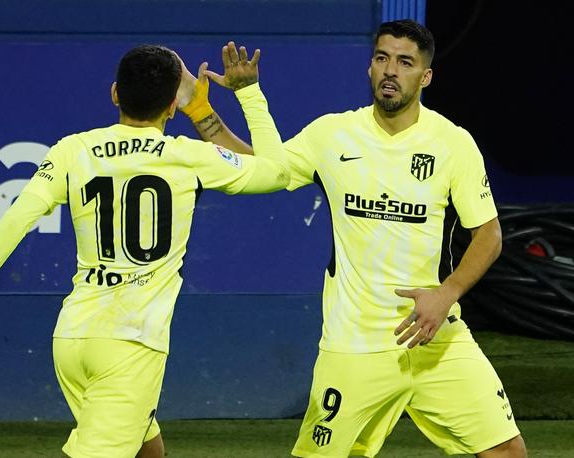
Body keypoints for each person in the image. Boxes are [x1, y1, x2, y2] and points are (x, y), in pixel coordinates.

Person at [180, 19, 527, 457]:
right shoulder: (333, 134)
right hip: (355, 348)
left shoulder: (453, 144)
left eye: (405, 62)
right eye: (382, 58)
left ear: (426, 76)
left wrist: (447, 293)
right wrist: (204, 111)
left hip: (437, 340)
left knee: (507, 452)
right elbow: (262, 168)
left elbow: (489, 235)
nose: (390, 70)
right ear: (369, 68)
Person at [0, 43, 288, 458]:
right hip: (131, 346)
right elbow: (277, 170)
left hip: (73, 339)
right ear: (172, 107)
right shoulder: (190, 156)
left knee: (149, 450)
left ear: (115, 93)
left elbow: (15, 221)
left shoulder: (71, 150)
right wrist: (229, 100)